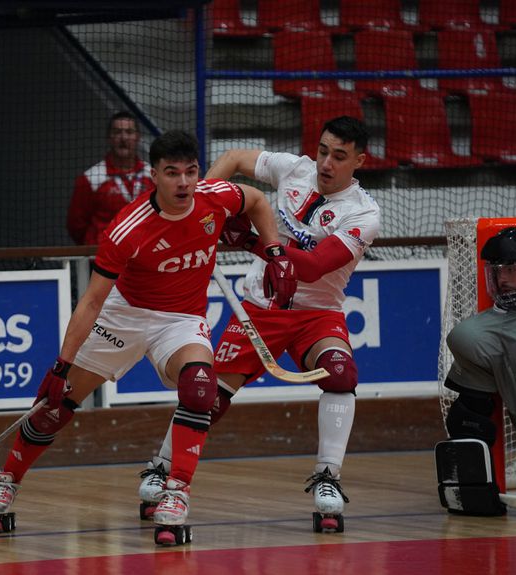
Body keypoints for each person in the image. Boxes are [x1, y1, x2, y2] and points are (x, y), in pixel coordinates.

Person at [0, 130, 290, 546]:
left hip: (180, 319)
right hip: (124, 316)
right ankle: (7, 481)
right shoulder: (127, 228)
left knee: (200, 388)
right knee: (54, 404)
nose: (183, 182)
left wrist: (274, 251)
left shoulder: (215, 196)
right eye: (172, 173)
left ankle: (176, 492)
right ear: (154, 175)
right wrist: (61, 366)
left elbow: (255, 201)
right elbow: (91, 303)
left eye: (191, 172)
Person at [136, 116, 381, 533]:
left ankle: (328, 478)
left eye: (339, 157)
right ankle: (160, 469)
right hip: (260, 309)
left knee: (341, 373)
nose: (325, 163)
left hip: (316, 314)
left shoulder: (364, 213)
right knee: (208, 398)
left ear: (359, 160)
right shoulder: (293, 169)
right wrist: (202, 208)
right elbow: (233, 158)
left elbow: (314, 267)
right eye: (323, 150)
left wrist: (252, 239)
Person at [439, 225, 516, 517]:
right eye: (496, 271)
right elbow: (470, 418)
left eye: (512, 270)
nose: (502, 279)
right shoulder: (478, 335)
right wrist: (473, 487)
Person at [67, 111, 156, 246]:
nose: (123, 137)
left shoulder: (152, 176)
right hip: (103, 257)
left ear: (138, 137)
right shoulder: (91, 179)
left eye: (129, 132)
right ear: (109, 137)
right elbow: (76, 226)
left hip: (144, 254)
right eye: (117, 132)